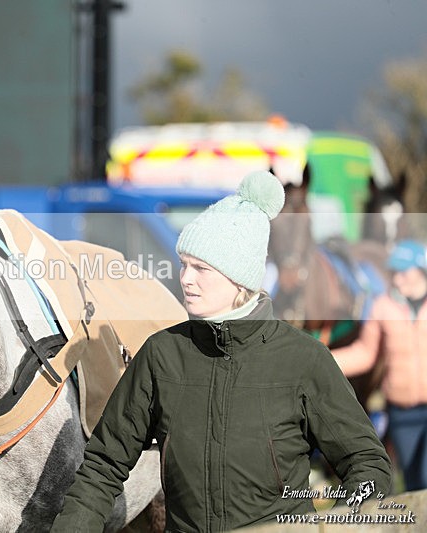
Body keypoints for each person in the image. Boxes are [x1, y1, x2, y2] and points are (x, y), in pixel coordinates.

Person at [51, 171, 391, 532]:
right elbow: (102, 467)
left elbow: (368, 465)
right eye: (184, 264)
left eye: (201, 268)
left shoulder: (304, 359)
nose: (186, 278)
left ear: (239, 280)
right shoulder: (160, 356)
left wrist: (336, 527)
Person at [331, 239, 427, 491]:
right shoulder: (383, 306)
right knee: (414, 482)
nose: (397, 279)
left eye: (404, 272)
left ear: (421, 271)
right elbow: (365, 353)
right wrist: (324, 361)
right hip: (401, 413)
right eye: (394, 272)